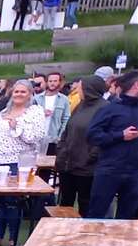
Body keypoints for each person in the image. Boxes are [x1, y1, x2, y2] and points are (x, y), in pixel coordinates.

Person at [0, 80, 46, 246]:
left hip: (18, 162)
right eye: (16, 91)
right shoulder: (5, 111)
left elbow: (36, 137)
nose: (18, 94)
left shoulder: (35, 112)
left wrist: (16, 126)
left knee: (13, 201)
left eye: (23, 92)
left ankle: (13, 239)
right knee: (1, 200)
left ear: (30, 94)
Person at [86, 71, 138, 220]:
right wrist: (120, 135)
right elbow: (92, 136)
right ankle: (92, 243)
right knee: (97, 214)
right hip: (110, 170)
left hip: (135, 173)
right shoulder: (110, 109)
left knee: (128, 217)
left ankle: (123, 244)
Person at [55, 76, 109, 216]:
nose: (77, 89)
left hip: (87, 167)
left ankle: (84, 234)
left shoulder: (105, 108)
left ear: (89, 88)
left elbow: (104, 136)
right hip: (68, 164)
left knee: (85, 203)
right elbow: (68, 130)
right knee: (65, 203)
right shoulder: (80, 105)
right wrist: (61, 151)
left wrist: (92, 156)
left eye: (80, 87)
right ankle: (63, 233)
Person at [35, 71, 70, 154]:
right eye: (50, 81)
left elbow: (66, 119)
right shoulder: (37, 98)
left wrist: (60, 136)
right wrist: (41, 113)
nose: (52, 83)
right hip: (38, 138)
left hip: (54, 139)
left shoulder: (64, 99)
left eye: (55, 81)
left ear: (60, 82)